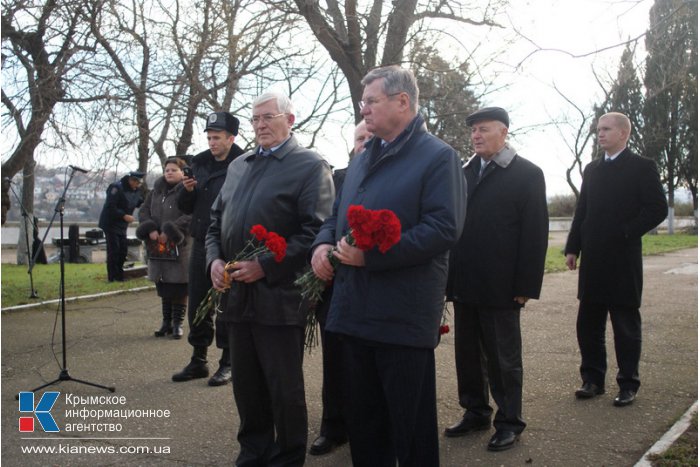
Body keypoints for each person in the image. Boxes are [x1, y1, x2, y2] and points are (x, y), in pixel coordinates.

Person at [310, 66, 467, 467]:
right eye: (363, 103)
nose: (364, 110)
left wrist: (373, 256)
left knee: (410, 430)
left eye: (371, 101)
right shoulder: (363, 158)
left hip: (401, 316)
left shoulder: (438, 157)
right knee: (365, 427)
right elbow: (336, 216)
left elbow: (443, 228)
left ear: (402, 101)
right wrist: (323, 243)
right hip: (354, 312)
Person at [206, 91, 334, 466]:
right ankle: (253, 450)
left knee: (283, 386)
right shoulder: (239, 165)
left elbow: (317, 230)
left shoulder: (310, 166)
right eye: (255, 119)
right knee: (246, 385)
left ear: (290, 120)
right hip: (235, 294)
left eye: (268, 117)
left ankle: (287, 456)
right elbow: (215, 223)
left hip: (279, 295)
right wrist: (213, 260)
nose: (260, 125)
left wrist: (266, 265)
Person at [444, 107, 549, 452]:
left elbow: (535, 235)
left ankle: (510, 421)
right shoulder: (464, 172)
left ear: (503, 132)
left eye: (483, 129)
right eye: (473, 130)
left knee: (503, 358)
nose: (475, 135)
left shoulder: (527, 174)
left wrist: (525, 287)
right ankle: (475, 411)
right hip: (466, 282)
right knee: (467, 355)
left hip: (502, 286)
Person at [565, 112, 667, 407]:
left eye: (606, 129)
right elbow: (582, 211)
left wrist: (626, 232)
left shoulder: (642, 168)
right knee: (588, 324)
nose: (600, 134)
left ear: (623, 133)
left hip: (623, 260)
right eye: (598, 130)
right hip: (594, 260)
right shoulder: (592, 169)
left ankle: (628, 384)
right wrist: (573, 247)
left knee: (624, 325)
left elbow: (657, 208)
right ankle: (593, 380)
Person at [308, 119, 373, 457]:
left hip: (374, 284)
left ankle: (372, 426)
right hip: (335, 285)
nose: (363, 143)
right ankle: (333, 427)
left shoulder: (393, 175)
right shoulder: (340, 177)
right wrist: (321, 250)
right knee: (334, 360)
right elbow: (326, 221)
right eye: (358, 138)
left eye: (369, 136)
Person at [172, 111, 244, 386]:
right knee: (199, 302)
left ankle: (228, 362)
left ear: (231, 138)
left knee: (227, 304)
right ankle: (198, 359)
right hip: (202, 240)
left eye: (217, 138)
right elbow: (185, 207)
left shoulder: (244, 162)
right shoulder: (199, 163)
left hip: (231, 243)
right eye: (209, 137)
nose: (212, 142)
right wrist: (187, 191)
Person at [136, 158, 191, 339]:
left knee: (179, 285)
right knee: (163, 284)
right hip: (157, 245)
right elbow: (143, 211)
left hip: (179, 244)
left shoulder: (188, 191)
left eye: (174, 170)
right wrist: (150, 228)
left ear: (183, 172)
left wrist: (171, 231)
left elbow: (190, 214)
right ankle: (166, 322)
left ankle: (177, 323)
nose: (169, 172)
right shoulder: (155, 192)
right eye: (167, 169)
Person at [98, 171, 145, 282]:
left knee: (123, 250)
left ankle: (119, 274)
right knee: (114, 250)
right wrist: (123, 216)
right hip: (111, 223)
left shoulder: (136, 191)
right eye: (135, 182)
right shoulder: (116, 188)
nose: (137, 185)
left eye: (139, 184)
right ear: (131, 180)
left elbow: (138, 202)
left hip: (122, 226)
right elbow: (110, 206)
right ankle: (112, 277)